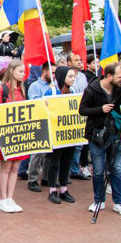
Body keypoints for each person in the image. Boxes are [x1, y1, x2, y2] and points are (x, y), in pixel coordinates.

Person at [79, 62, 121, 216]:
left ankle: (119, 202)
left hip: (115, 132)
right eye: (120, 76)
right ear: (109, 75)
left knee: (116, 169)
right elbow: (82, 110)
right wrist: (100, 110)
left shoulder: (120, 88)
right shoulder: (92, 89)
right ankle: (98, 200)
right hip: (97, 135)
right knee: (98, 170)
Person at [0, 59, 28, 212]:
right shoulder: (1, 89)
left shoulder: (22, 90)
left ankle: (10, 198)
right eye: (21, 71)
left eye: (24, 72)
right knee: (6, 167)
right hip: (6, 134)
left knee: (15, 167)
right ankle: (3, 199)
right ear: (11, 71)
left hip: (19, 134)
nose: (23, 75)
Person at [45, 66, 78, 205]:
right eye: (69, 76)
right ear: (62, 77)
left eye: (73, 76)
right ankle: (52, 190)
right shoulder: (52, 91)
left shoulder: (74, 91)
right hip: (56, 133)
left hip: (69, 134)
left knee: (66, 161)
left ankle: (64, 189)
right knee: (55, 161)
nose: (72, 79)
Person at [25, 62, 59, 192]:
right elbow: (35, 103)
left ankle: (45, 177)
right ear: (45, 71)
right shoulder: (35, 86)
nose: (55, 75)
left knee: (50, 153)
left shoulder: (55, 85)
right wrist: (49, 94)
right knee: (37, 153)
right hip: (39, 121)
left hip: (52, 121)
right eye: (53, 72)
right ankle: (32, 180)